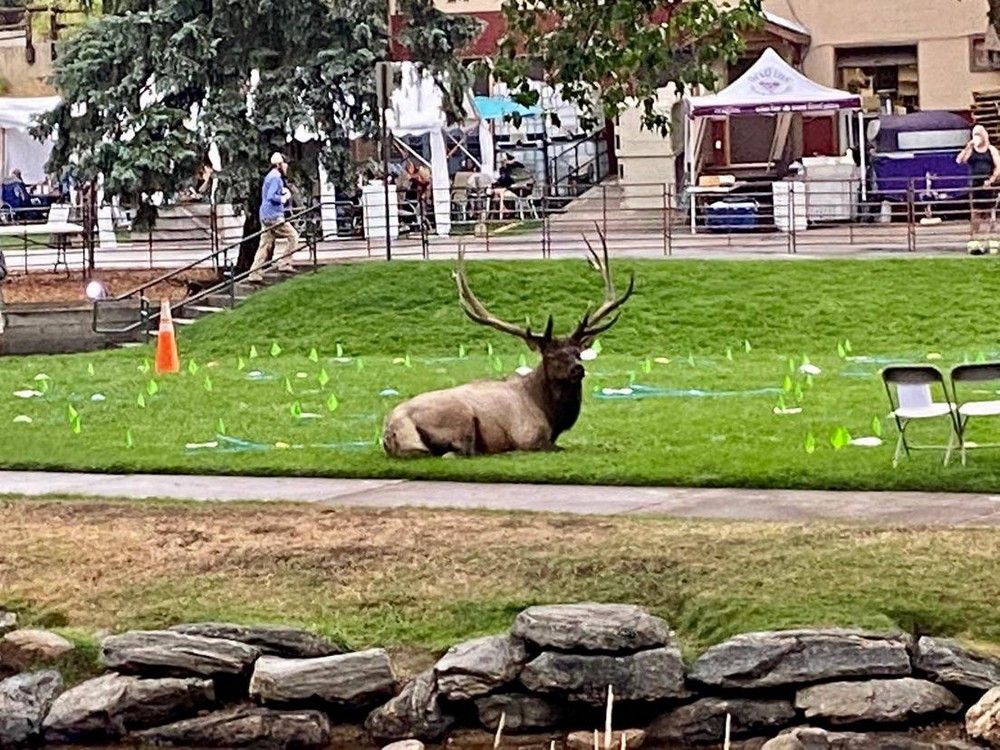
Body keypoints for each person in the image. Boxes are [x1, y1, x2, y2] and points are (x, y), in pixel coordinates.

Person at [248, 152, 299, 283]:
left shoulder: (269, 176)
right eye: (284, 163)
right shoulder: (276, 177)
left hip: (265, 214)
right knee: (293, 236)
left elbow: (267, 194)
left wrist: (282, 191)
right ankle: (285, 263)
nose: (286, 166)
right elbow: (271, 196)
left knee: (264, 244)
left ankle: (254, 273)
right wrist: (283, 198)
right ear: (278, 165)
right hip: (274, 216)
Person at [957, 125, 1000, 235]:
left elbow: (998, 167)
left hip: (988, 184)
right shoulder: (971, 150)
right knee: (975, 211)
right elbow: (959, 160)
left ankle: (992, 236)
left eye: (979, 134)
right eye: (975, 134)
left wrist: (991, 180)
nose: (977, 137)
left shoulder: (991, 149)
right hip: (975, 184)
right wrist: (968, 146)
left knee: (991, 211)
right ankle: (975, 235)